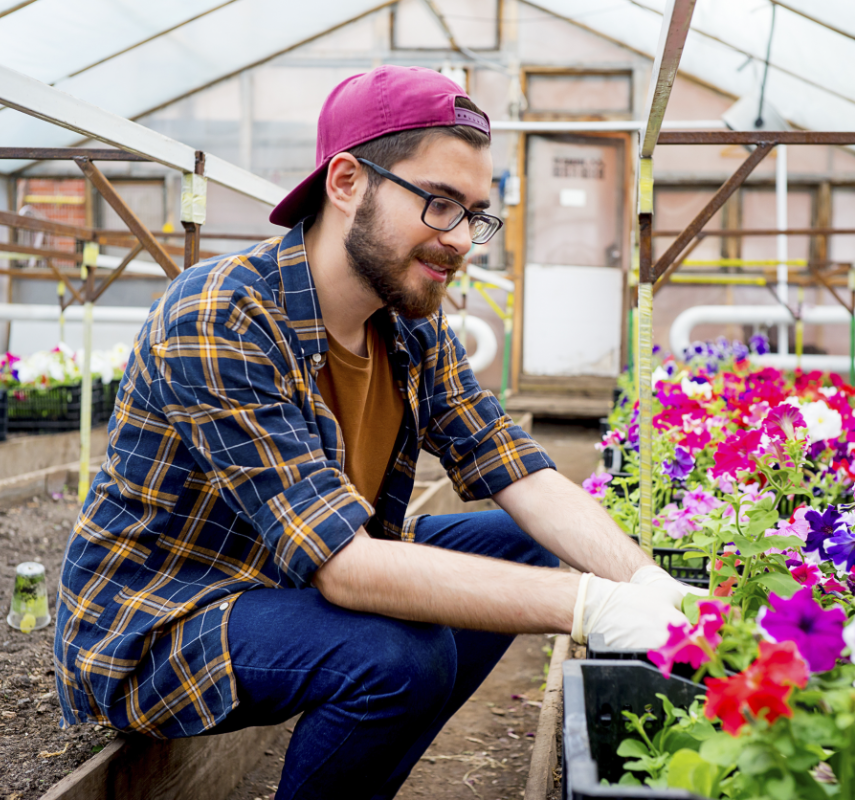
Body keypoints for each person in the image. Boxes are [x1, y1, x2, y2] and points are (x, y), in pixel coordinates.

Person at [54, 66, 703, 800]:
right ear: (345, 183)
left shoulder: (409, 329)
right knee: (403, 655)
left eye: (476, 214)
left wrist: (645, 581)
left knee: (519, 540)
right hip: (167, 620)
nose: (463, 240)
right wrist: (591, 608)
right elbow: (347, 570)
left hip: (283, 583)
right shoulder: (223, 315)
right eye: (438, 204)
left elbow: (515, 466)